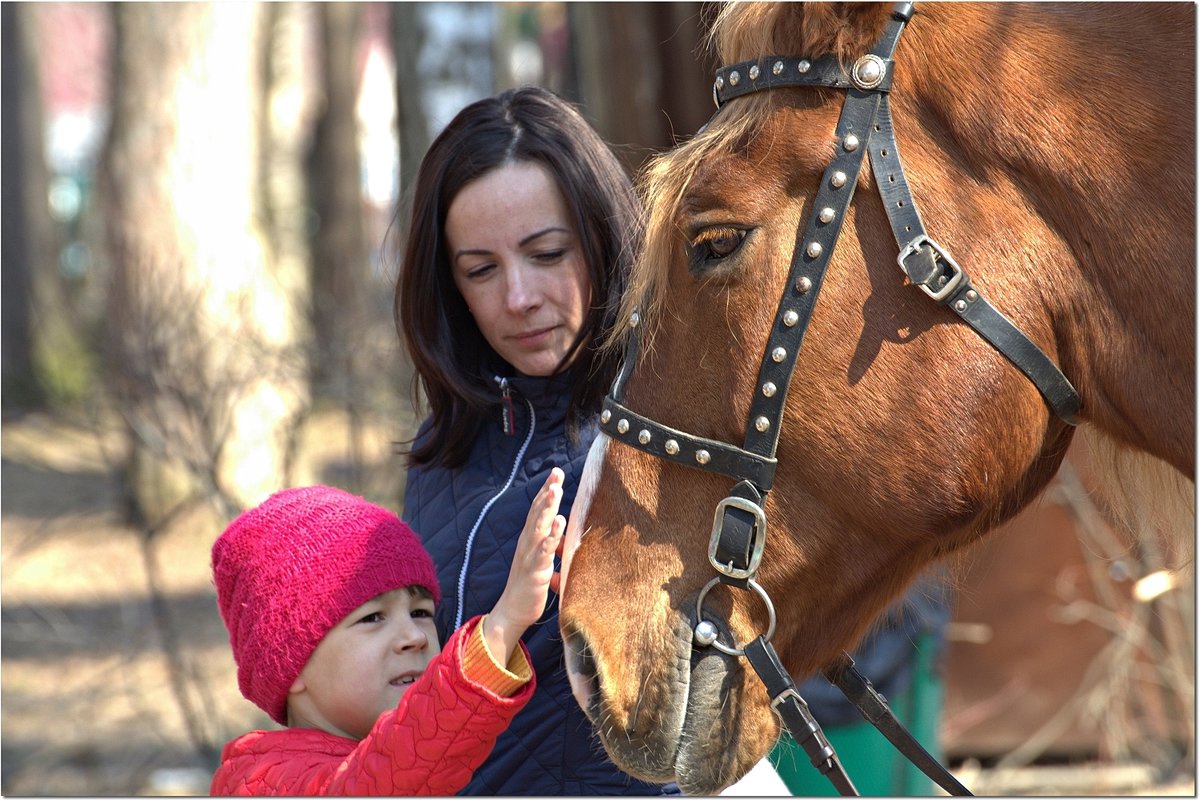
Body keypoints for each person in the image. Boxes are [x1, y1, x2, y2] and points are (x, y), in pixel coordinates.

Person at [393, 86, 672, 794]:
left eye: (547, 252)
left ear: (602, 236)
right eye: (481, 269)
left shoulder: (680, 424)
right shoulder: (441, 453)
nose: (518, 296)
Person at [208, 470, 567, 795]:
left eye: (421, 612)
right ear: (292, 664)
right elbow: (387, 776)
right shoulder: (267, 779)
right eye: (373, 617)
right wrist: (503, 623)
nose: (415, 635)